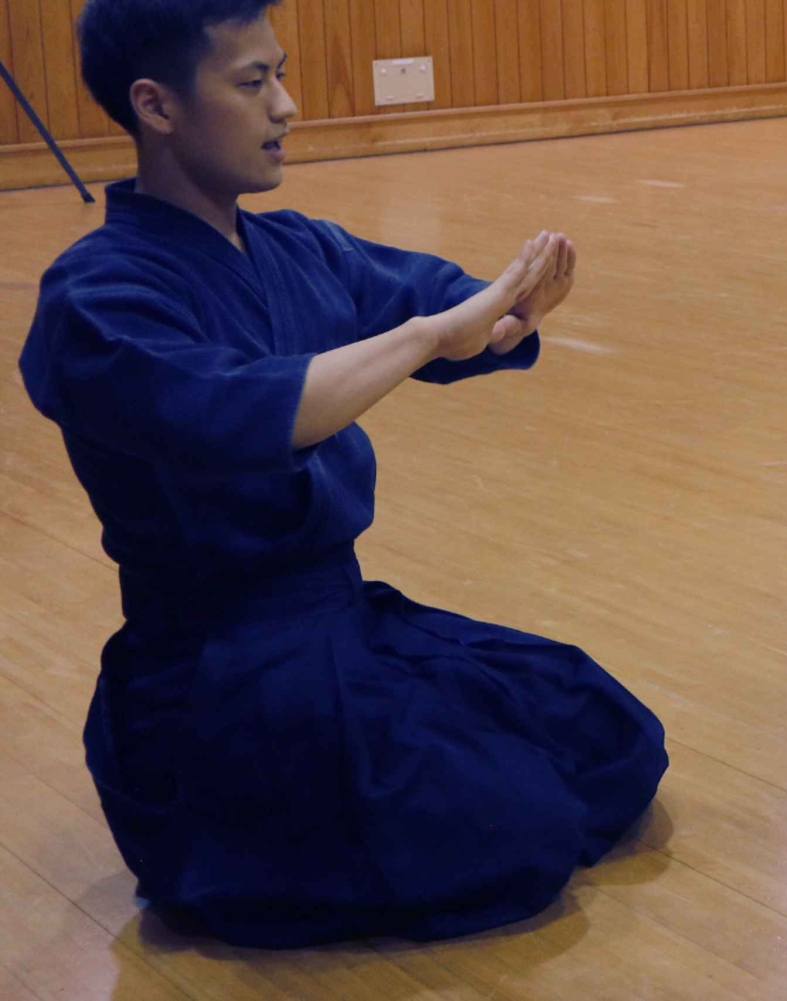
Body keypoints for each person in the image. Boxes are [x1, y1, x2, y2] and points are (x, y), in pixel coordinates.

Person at [19, 0, 668, 949]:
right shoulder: (96, 296)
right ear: (156, 106)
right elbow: (256, 406)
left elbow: (429, 300)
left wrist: (505, 311)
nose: (285, 106)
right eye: (252, 83)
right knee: (515, 828)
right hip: (214, 683)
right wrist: (425, 337)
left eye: (280, 75)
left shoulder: (295, 247)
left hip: (338, 619)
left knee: (607, 731)